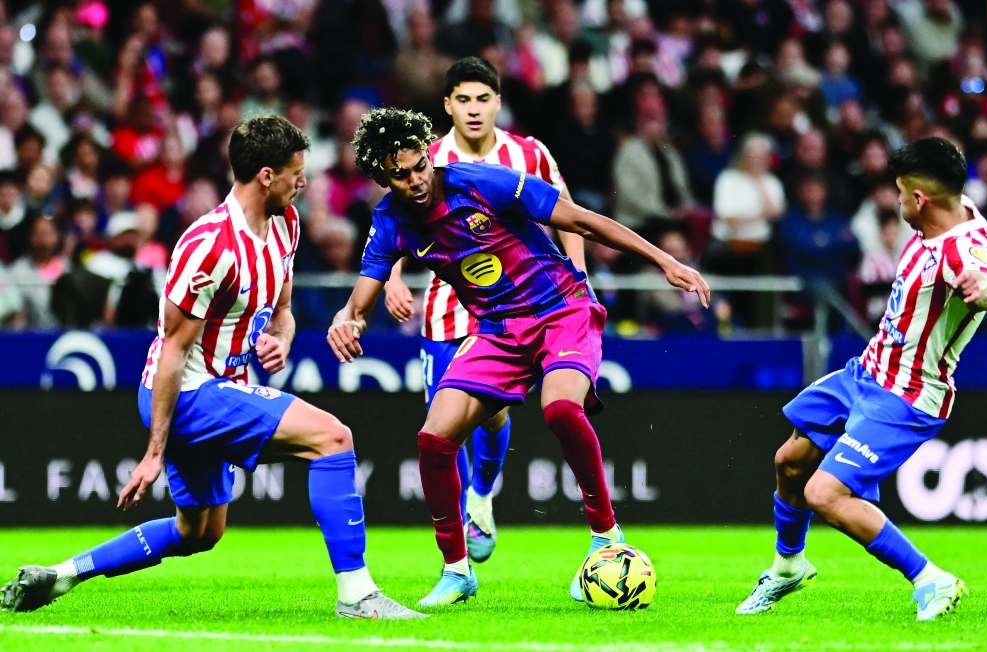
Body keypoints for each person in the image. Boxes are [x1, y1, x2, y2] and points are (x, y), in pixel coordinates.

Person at [0, 116, 424, 621]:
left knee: (198, 532)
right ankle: (357, 595)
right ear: (266, 175)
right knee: (333, 437)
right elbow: (174, 351)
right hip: (187, 393)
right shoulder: (208, 246)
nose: (303, 181)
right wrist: (155, 450)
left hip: (219, 388)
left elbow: (283, 313)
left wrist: (279, 342)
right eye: (296, 172)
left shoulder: (285, 224)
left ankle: (61, 574)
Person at [329, 107, 709, 607]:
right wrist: (347, 320)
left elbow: (581, 220)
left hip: (561, 311)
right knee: (433, 439)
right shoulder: (389, 222)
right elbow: (362, 298)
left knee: (560, 409)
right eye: (400, 174)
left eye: (420, 164)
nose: (417, 179)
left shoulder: (483, 182)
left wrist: (665, 260)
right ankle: (457, 571)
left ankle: (606, 536)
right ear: (382, 177)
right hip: (498, 332)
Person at [736, 137, 987, 621]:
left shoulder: (965, 249)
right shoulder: (951, 210)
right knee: (791, 461)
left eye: (900, 192)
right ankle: (789, 565)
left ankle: (930, 579)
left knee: (824, 493)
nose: (896, 201)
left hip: (908, 395)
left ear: (919, 198)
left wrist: (983, 289)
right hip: (867, 371)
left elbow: (981, 279)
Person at [382, 57, 587, 564]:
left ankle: (481, 496)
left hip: (518, 305)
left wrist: (578, 279)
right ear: (447, 105)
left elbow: (569, 217)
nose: (474, 110)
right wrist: (390, 279)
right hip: (447, 310)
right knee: (443, 428)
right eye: (463, 100)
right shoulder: (424, 157)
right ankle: (455, 558)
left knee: (491, 416)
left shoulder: (528, 153)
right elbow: (388, 227)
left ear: (498, 102)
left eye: (483, 99)